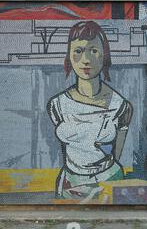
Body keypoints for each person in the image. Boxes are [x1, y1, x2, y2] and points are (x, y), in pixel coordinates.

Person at [47, 21, 133, 200]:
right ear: (69, 56)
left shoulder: (120, 107)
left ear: (104, 55)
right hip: (69, 183)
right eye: (78, 51)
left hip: (108, 181)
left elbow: (117, 154)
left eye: (93, 50)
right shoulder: (57, 105)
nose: (86, 60)